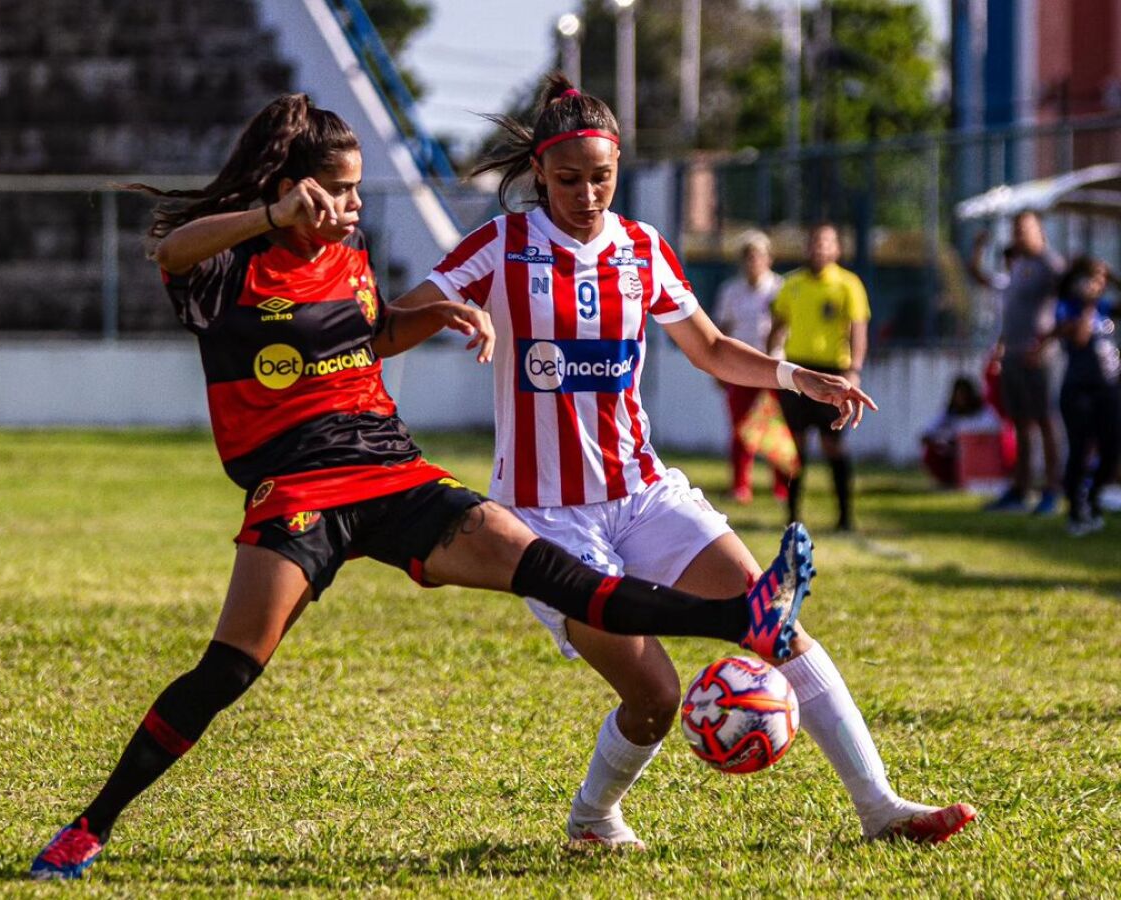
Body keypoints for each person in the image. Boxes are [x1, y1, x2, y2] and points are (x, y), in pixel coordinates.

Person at [27, 94, 818, 880]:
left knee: (555, 571)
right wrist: (268, 215)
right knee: (229, 670)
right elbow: (172, 253)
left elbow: (372, 337)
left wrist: (441, 312)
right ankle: (91, 825)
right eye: (338, 190)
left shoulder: (349, 251)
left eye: (357, 189)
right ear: (295, 189)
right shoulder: (234, 263)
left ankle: (739, 616)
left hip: (389, 467)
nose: (352, 205)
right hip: (299, 487)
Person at [394, 75, 974, 849]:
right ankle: (595, 817)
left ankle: (881, 808)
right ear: (539, 172)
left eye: (602, 177)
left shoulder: (641, 249)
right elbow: (395, 320)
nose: (587, 193)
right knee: (655, 695)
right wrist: (444, 309)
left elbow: (707, 347)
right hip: (544, 520)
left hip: (645, 495)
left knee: (775, 623)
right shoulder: (501, 246)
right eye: (569, 180)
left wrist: (795, 375)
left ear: (619, 166)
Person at [767, 223, 870, 532]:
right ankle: (792, 516)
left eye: (827, 242)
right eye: (815, 242)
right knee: (794, 446)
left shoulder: (848, 285)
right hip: (798, 370)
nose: (820, 248)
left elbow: (858, 330)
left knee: (832, 445)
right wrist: (768, 360)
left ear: (836, 249)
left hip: (832, 372)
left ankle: (844, 517)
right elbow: (778, 325)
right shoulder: (792, 284)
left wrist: (855, 369)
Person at [969, 212, 1065, 514]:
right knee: (1020, 424)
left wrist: (1045, 343)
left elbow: (1070, 305)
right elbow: (988, 285)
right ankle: (1020, 490)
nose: (1019, 236)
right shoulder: (1019, 265)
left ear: (1040, 232)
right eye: (1016, 230)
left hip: (1038, 359)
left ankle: (1052, 490)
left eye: (1025, 230)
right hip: (1012, 357)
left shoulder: (1051, 265)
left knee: (1046, 422)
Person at [712, 230, 791, 503]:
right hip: (741, 368)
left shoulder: (781, 288)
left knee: (776, 427)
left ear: (768, 258)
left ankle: (783, 487)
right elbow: (722, 330)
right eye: (748, 257)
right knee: (741, 427)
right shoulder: (731, 291)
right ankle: (740, 485)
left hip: (774, 367)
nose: (753, 262)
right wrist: (718, 367)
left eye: (758, 256)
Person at [1055, 256, 1120, 535]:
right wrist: (1088, 304)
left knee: (1112, 449)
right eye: (1091, 278)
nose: (1097, 285)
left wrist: (1113, 278)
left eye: (1099, 279)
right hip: (1079, 389)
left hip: (1109, 387)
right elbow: (1080, 338)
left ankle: (1092, 501)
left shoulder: (1106, 307)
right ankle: (1075, 510)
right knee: (1080, 450)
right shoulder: (1067, 308)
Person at [919, 376, 1006, 488]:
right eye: (958, 395)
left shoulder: (984, 412)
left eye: (964, 395)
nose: (961, 399)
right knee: (931, 453)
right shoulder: (950, 412)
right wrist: (940, 441)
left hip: (979, 456)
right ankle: (949, 481)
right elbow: (928, 431)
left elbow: (993, 432)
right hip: (955, 455)